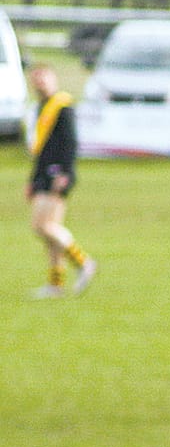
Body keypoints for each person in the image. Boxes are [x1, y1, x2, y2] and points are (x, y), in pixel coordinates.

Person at [25, 63, 96, 299]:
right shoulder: (40, 108)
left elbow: (70, 143)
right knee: (45, 230)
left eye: (43, 77)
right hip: (44, 174)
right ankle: (56, 283)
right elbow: (42, 149)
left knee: (44, 226)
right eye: (36, 79)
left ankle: (83, 262)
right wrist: (33, 180)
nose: (40, 83)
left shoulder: (63, 106)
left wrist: (64, 173)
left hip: (58, 175)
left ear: (53, 78)